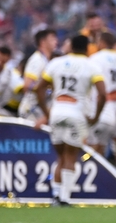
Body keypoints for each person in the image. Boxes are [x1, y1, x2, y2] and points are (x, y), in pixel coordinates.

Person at [37, 35, 106, 206]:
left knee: (60, 157)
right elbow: (103, 94)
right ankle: (65, 198)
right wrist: (96, 116)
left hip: (57, 113)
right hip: (77, 114)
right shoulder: (92, 66)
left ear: (71, 46)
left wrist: (47, 111)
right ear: (87, 48)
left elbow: (39, 88)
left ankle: (55, 195)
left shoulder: (55, 63)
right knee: (71, 156)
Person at [87, 32, 116, 161]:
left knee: (94, 148)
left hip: (103, 107)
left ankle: (96, 174)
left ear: (102, 42)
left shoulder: (95, 58)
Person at [19, 28, 58, 120]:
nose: (56, 41)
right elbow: (27, 85)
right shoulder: (37, 60)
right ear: (43, 42)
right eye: (52, 39)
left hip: (40, 108)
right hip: (32, 110)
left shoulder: (46, 60)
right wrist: (45, 89)